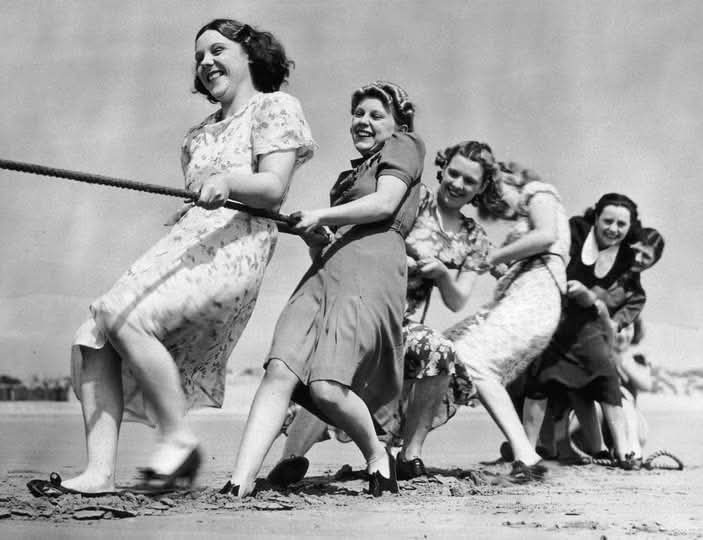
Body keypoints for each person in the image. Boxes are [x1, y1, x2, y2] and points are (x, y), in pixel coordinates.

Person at [27, 18, 315, 497]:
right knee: (95, 332)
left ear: (249, 54)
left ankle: (179, 440)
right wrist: (192, 208)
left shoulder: (274, 107)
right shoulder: (196, 136)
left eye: (217, 50)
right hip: (187, 246)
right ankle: (99, 473)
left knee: (123, 316)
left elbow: (273, 188)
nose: (205, 63)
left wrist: (228, 183)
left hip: (235, 248)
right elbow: (206, 190)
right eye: (199, 57)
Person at [221, 81, 425, 498]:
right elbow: (332, 237)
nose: (363, 121)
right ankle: (238, 482)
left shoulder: (405, 145)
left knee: (327, 388)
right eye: (358, 114)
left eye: (375, 114)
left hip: (371, 272)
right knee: (281, 369)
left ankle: (377, 455)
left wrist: (321, 215)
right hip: (326, 272)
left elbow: (385, 205)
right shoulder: (349, 176)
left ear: (398, 123)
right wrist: (313, 234)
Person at [267, 141, 498, 485]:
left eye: (469, 180)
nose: (457, 184)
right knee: (335, 365)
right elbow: (370, 232)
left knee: (441, 350)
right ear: (442, 168)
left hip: (401, 323)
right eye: (453, 173)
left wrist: (441, 273)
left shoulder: (474, 236)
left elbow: (457, 299)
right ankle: (291, 458)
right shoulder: (415, 198)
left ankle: (410, 455)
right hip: (363, 298)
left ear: (481, 188)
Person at [443, 161, 571, 481]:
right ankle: (399, 446)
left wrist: (494, 258)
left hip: (537, 295)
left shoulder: (539, 192)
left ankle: (526, 455)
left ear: (512, 178)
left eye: (496, 193)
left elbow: (545, 236)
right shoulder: (522, 219)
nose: (496, 205)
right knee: (449, 349)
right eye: (489, 202)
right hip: (523, 295)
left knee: (473, 361)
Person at [522, 194, 646, 469]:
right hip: (553, 314)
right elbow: (549, 259)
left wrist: (601, 306)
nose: (613, 228)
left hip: (587, 324)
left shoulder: (627, 257)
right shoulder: (575, 229)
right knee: (539, 379)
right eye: (608, 221)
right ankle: (525, 451)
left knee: (606, 378)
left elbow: (629, 296)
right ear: (596, 217)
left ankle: (624, 452)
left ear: (630, 227)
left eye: (621, 224)